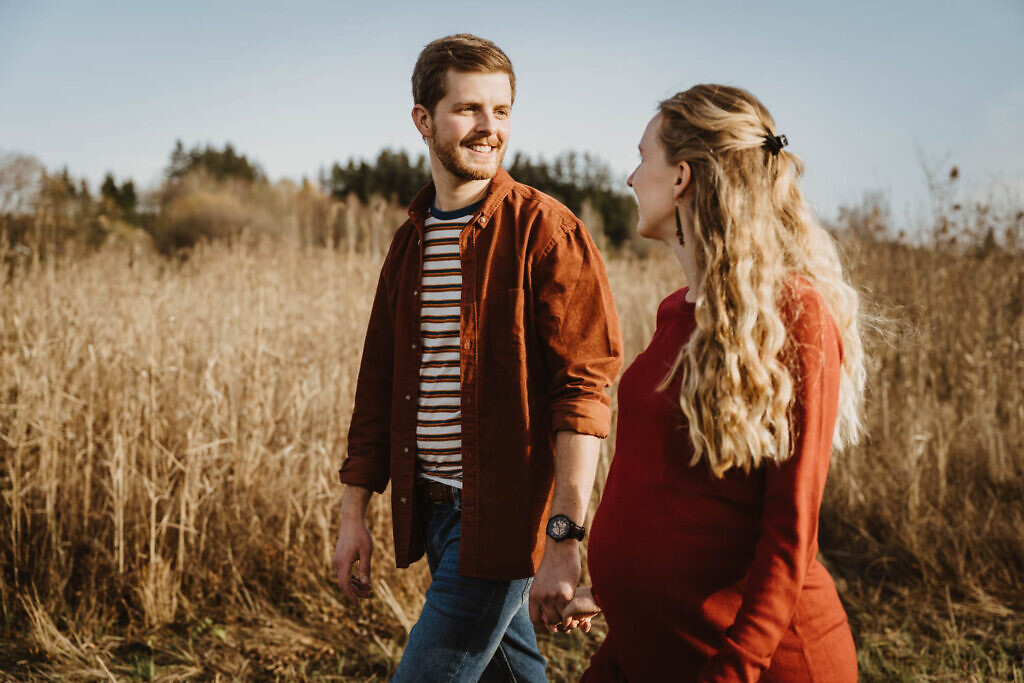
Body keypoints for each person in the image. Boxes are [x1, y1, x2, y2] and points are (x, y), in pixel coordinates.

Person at [332, 34, 623, 682]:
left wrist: (565, 537)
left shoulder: (546, 230)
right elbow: (376, 389)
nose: (489, 128)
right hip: (431, 511)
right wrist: (354, 514)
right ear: (423, 120)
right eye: (469, 109)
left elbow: (583, 394)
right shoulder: (409, 246)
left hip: (500, 521)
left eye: (502, 110)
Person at [560, 84, 865, 682]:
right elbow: (678, 494)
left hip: (756, 664)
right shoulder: (676, 312)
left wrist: (735, 671)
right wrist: (631, 593)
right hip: (654, 645)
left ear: (680, 177)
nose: (628, 178)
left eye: (641, 158)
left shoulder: (795, 315)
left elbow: (789, 535)